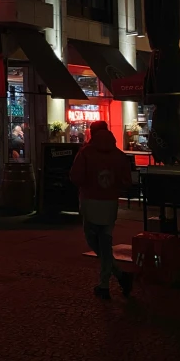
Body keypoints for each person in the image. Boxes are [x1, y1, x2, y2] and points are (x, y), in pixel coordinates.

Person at [70, 120, 134, 300]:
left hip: (90, 201)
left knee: (94, 241)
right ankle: (114, 278)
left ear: (92, 132)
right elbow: (127, 182)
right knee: (105, 241)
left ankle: (110, 281)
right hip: (110, 202)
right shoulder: (119, 155)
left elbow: (76, 177)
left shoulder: (85, 153)